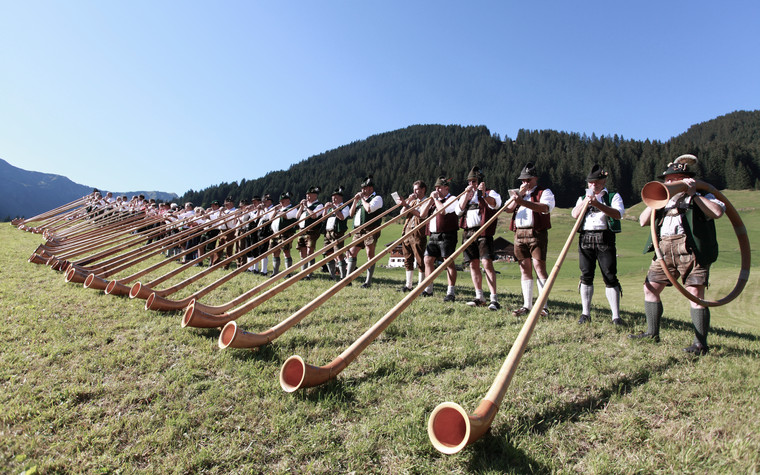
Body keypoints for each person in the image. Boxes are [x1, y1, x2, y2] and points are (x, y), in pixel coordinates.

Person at [631, 154, 725, 355]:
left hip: (691, 250)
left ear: (686, 179)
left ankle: (700, 344)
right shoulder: (663, 200)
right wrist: (656, 200)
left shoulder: (703, 194)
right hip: (664, 249)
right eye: (667, 180)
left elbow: (717, 212)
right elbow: (642, 221)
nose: (669, 183)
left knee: (695, 294)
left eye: (674, 179)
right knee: (650, 288)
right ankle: (651, 333)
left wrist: (694, 195)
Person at [570, 164, 625, 325]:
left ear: (604, 181)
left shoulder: (613, 196)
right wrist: (586, 202)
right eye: (591, 182)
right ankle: (585, 313)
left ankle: (616, 316)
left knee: (609, 275)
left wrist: (598, 204)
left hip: (605, 237)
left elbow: (618, 214)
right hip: (586, 237)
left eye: (597, 182)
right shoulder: (582, 198)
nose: (593, 185)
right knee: (586, 275)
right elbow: (574, 215)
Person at [505, 162, 555, 317]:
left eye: (528, 180)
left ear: (535, 178)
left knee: (539, 268)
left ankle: (543, 306)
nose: (525, 183)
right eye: (523, 180)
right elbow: (507, 209)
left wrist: (523, 201)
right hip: (519, 233)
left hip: (536, 233)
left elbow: (544, 208)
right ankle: (527, 305)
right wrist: (518, 197)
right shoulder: (518, 194)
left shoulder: (544, 192)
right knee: (524, 268)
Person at [457, 167, 503, 311]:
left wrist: (483, 194)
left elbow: (495, 204)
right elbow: (458, 211)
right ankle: (479, 297)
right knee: (473, 264)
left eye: (474, 181)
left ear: (481, 181)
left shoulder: (490, 193)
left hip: (483, 233)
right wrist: (466, 194)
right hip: (468, 233)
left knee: (487, 263)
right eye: (470, 181)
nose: (472, 184)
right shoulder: (466, 195)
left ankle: (494, 299)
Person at [420, 176, 459, 302]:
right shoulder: (434, 201)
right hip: (433, 235)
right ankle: (429, 289)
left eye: (439, 187)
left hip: (447, 234)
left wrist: (436, 199)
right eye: (435, 188)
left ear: (446, 188)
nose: (436, 190)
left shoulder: (452, 199)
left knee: (448, 262)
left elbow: (443, 211)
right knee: (427, 259)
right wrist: (431, 200)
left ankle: (450, 292)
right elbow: (422, 214)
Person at [347, 176, 384, 288]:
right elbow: (350, 214)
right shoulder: (360, 201)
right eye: (362, 188)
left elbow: (369, 209)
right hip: (359, 230)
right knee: (352, 252)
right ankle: (348, 279)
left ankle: (368, 282)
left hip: (371, 228)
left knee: (369, 253)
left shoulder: (377, 198)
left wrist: (362, 199)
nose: (363, 190)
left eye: (365, 188)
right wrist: (355, 201)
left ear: (371, 189)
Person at [398, 180, 428, 292]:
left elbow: (420, 215)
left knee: (420, 260)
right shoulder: (413, 202)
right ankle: (408, 285)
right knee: (407, 259)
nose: (415, 192)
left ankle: (421, 285)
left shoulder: (427, 201)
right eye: (414, 189)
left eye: (417, 189)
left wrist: (407, 204)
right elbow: (402, 214)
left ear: (423, 189)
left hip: (418, 233)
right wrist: (408, 201)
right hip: (407, 232)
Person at [268, 192, 300, 277]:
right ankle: (275, 272)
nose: (281, 202)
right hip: (275, 233)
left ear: (288, 201)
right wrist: (275, 211)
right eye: (280, 201)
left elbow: (286, 216)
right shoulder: (279, 210)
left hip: (286, 233)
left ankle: (288, 273)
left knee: (286, 252)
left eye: (283, 201)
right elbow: (270, 219)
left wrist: (278, 211)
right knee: (274, 252)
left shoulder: (292, 208)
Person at [322, 187, 351, 280]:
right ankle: (332, 275)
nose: (333, 199)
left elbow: (342, 217)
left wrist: (334, 208)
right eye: (332, 197)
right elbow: (324, 218)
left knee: (339, 254)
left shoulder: (345, 206)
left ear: (340, 198)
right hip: (328, 233)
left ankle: (342, 276)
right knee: (328, 253)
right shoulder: (331, 208)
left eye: (335, 197)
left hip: (337, 233)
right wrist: (326, 209)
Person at [296, 186, 324, 279]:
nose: (307, 197)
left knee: (309, 251)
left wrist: (306, 207)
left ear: (315, 196)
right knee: (302, 251)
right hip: (302, 230)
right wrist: (301, 207)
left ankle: (309, 274)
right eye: (307, 195)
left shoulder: (319, 205)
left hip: (312, 231)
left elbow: (314, 216)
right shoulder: (304, 206)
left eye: (310, 195)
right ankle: (303, 273)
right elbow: (297, 217)